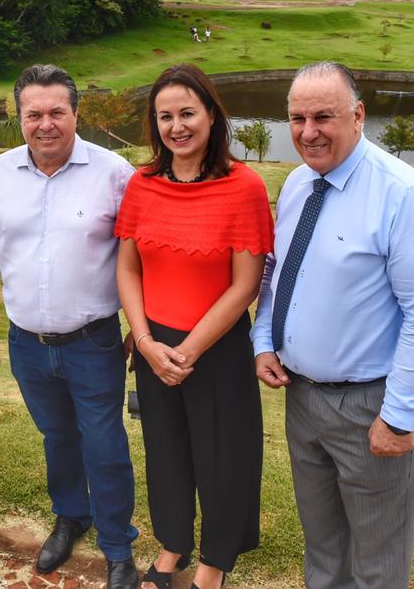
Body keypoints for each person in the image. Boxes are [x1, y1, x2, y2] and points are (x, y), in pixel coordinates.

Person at [252, 62, 414, 589]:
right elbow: (278, 274)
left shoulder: (404, 197)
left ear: (359, 115)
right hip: (304, 398)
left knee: (377, 558)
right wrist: (264, 340)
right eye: (297, 118)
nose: (308, 131)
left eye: (324, 116)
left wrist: (400, 416)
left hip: (372, 405)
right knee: (322, 545)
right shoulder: (299, 184)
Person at [0, 65, 140, 589]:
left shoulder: (114, 172)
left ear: (75, 114)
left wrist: (143, 325)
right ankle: (71, 516)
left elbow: (141, 257)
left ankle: (116, 546)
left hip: (95, 342)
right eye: (33, 114)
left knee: (105, 445)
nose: (45, 124)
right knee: (57, 437)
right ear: (19, 117)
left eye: (56, 112)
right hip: (27, 344)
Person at [114, 64, 273, 589]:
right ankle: (174, 545)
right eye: (165, 116)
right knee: (166, 452)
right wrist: (145, 342)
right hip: (153, 342)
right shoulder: (142, 184)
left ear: (210, 115)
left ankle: (214, 562)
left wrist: (187, 352)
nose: (176, 126)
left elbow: (244, 285)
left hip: (218, 348)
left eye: (187, 113)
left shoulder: (243, 186)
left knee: (223, 458)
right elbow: (128, 268)